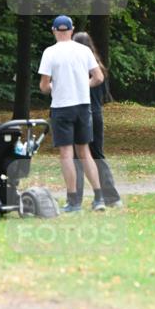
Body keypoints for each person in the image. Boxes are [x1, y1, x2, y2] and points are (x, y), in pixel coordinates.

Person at [37, 15, 105, 212]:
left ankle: (74, 201)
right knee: (85, 152)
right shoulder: (84, 50)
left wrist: (52, 87)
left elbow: (43, 86)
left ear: (54, 31)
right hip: (83, 106)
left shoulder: (50, 52)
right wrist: (84, 85)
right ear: (72, 30)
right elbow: (98, 77)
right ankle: (99, 198)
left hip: (61, 107)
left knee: (67, 154)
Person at [72, 32, 122, 208]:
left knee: (76, 156)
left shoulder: (76, 67)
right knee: (97, 155)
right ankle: (112, 197)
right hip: (97, 112)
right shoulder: (99, 67)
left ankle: (75, 198)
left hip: (80, 112)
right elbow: (103, 96)